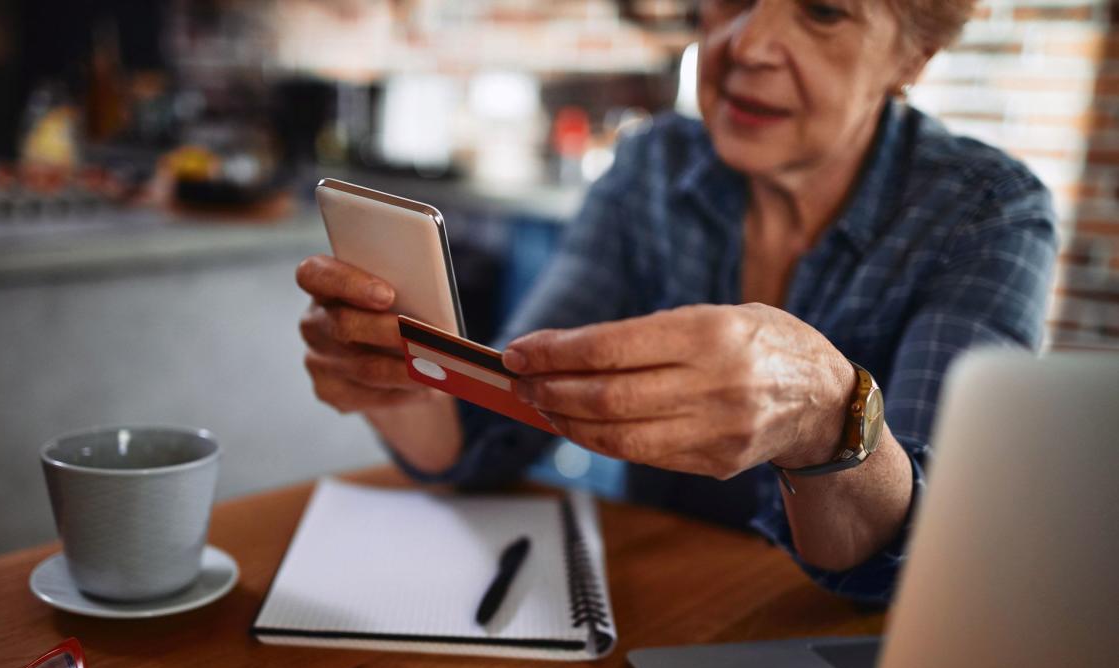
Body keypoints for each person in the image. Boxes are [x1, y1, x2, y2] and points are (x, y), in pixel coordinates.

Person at [295, 0, 1057, 603]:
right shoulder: (652, 166)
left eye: (823, 9)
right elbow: (505, 430)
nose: (745, 46)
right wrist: (400, 381)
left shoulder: (987, 212)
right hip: (657, 614)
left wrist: (827, 417)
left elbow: (933, 557)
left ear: (912, 54)